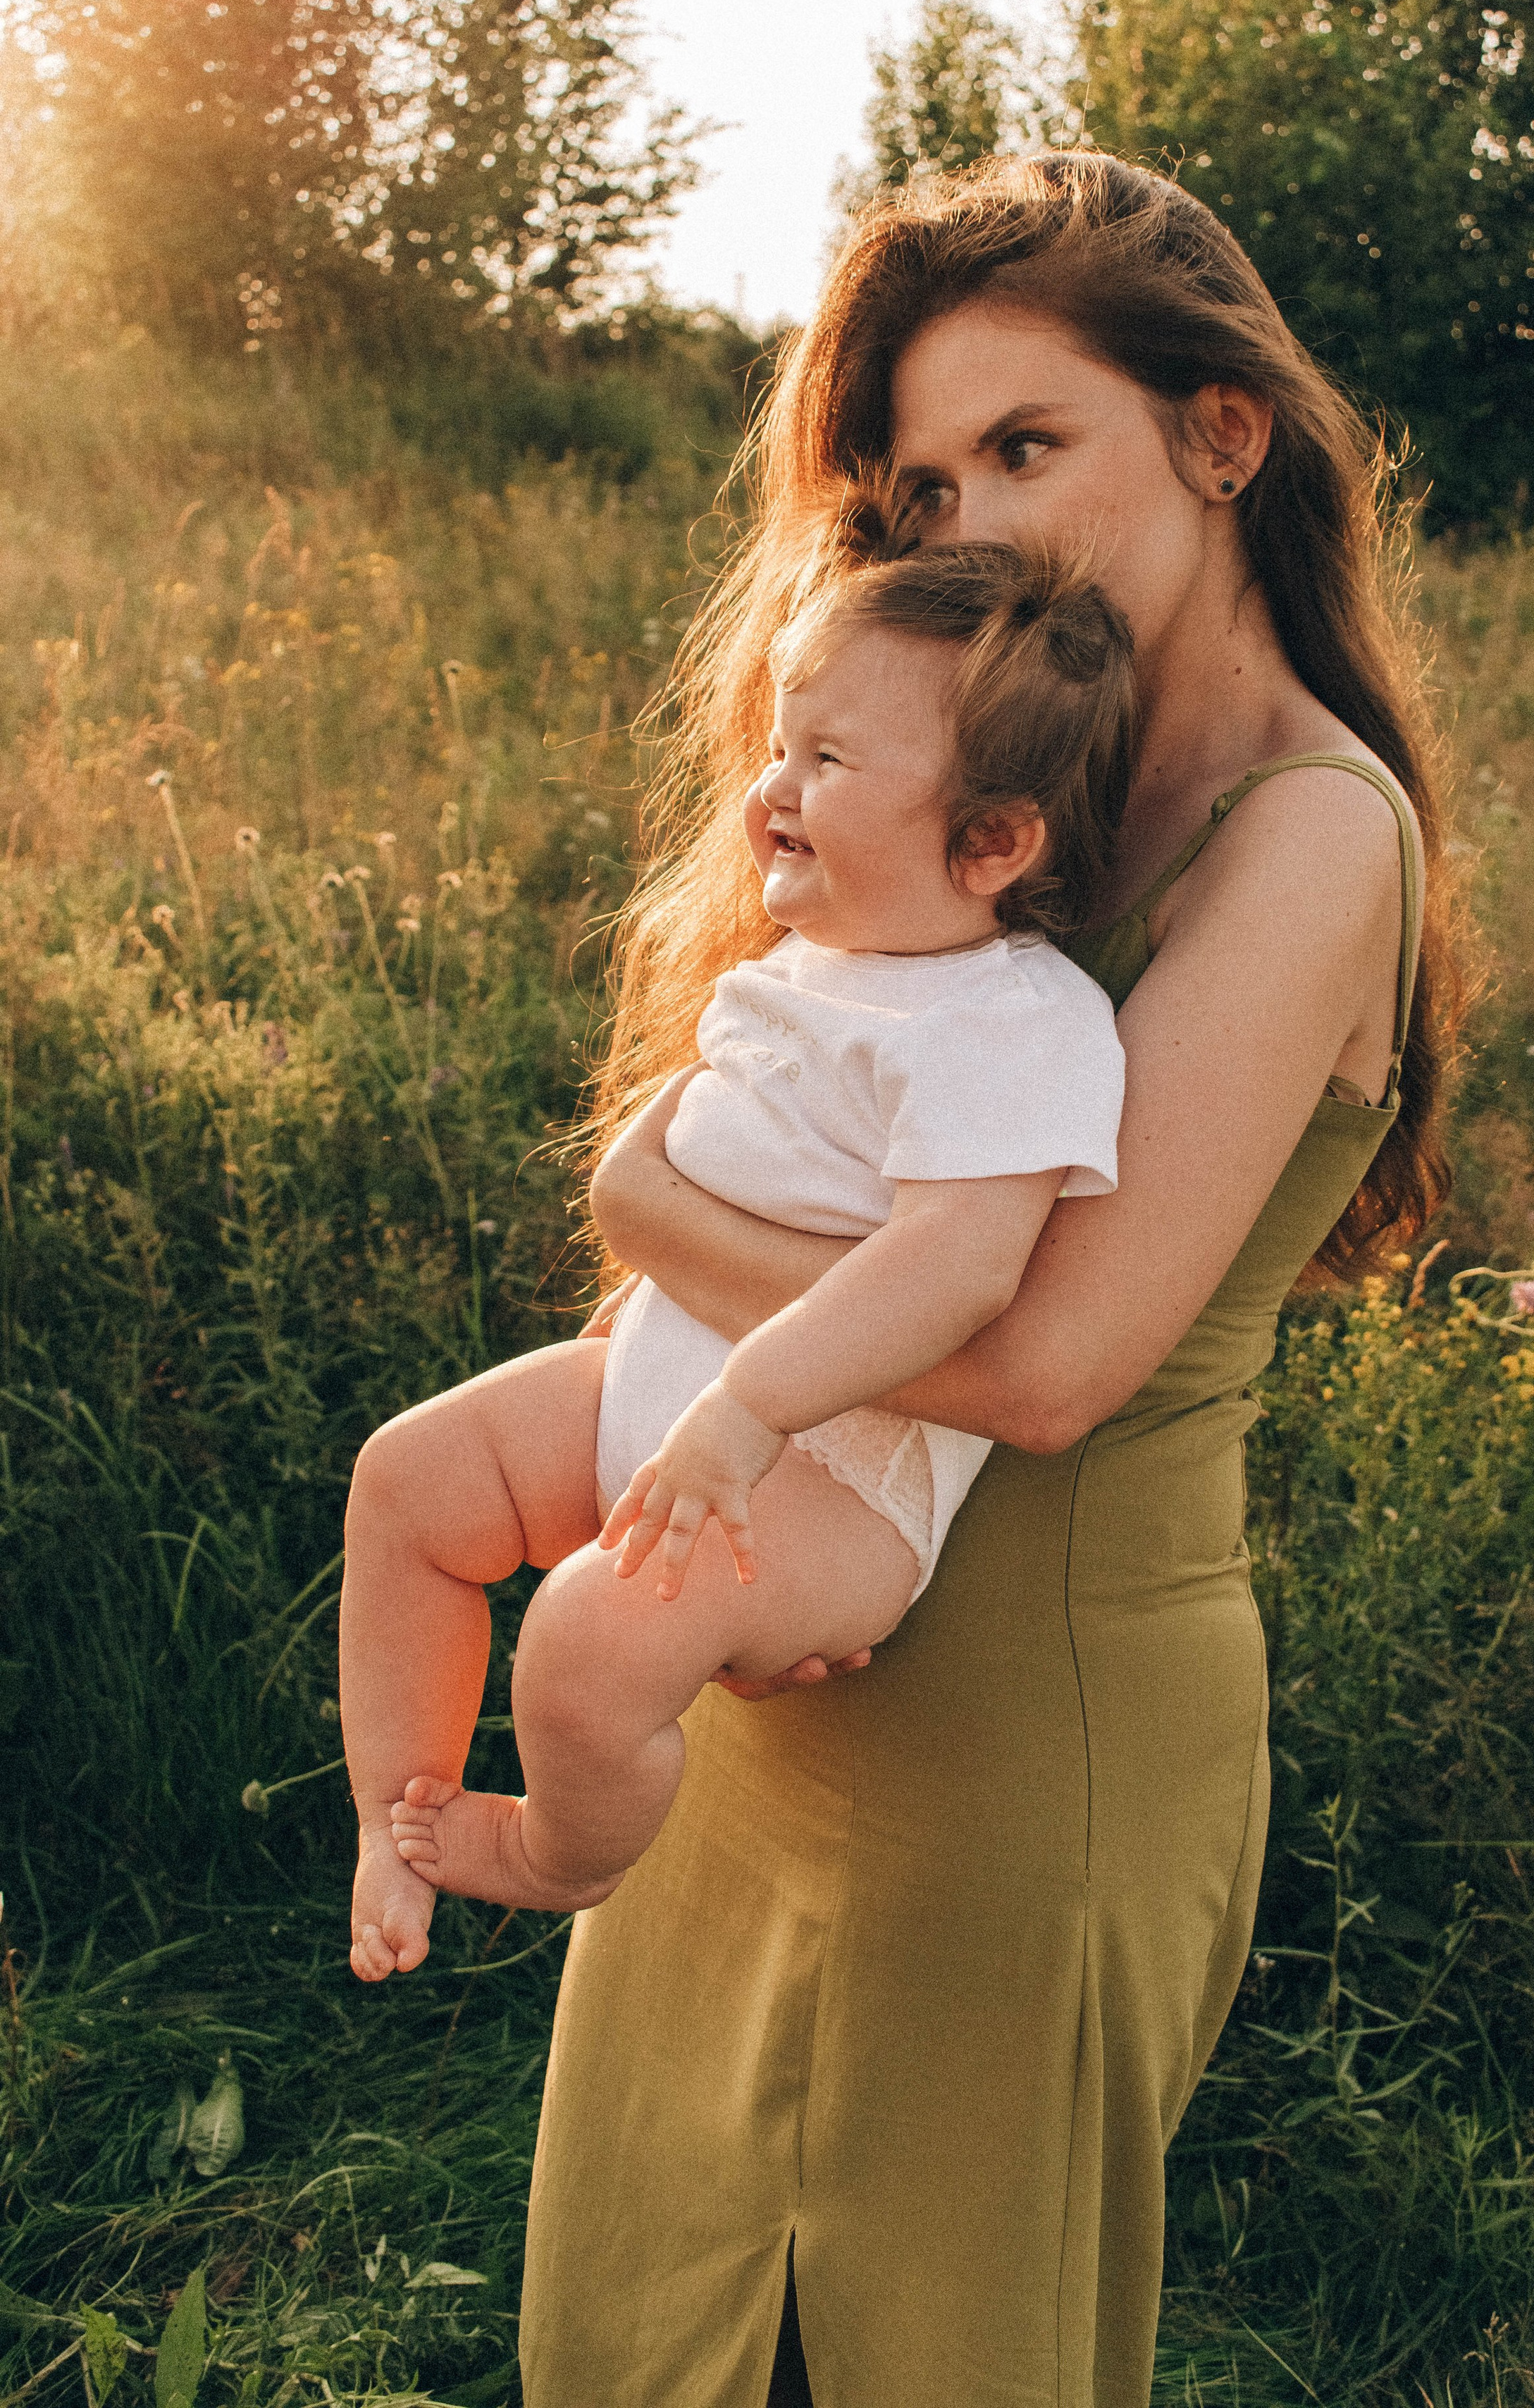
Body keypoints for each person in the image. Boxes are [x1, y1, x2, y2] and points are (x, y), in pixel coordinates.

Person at [521, 152, 1464, 2408]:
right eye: (926, 480)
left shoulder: (1309, 832)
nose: (975, 528)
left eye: (1028, 448)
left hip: (1026, 1726)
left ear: (1218, 436)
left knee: (942, 2350)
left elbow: (1039, 1366)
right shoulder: (998, 770)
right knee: (639, 2326)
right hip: (786, 1617)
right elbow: (821, 1146)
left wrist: (657, 1226)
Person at [339, 539, 1134, 1982]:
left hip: (833, 1469)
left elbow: (955, 1270)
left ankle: (552, 1853)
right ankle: (389, 1823)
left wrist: (750, 1406)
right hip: (666, 1395)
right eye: (778, 742)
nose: (770, 785)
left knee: (587, 1641)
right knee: (407, 1476)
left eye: (825, 757)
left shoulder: (1007, 1023)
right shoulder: (806, 971)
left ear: (991, 842)